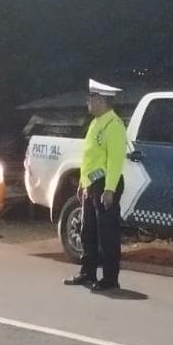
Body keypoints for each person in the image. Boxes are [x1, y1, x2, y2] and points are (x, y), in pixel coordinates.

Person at [64, 79, 128, 292]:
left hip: (106, 185)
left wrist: (109, 190)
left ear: (100, 100)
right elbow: (90, 158)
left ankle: (110, 278)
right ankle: (87, 272)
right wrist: (83, 184)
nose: (87, 102)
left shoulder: (114, 125)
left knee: (107, 235)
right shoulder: (95, 123)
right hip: (92, 184)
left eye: (90, 98)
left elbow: (115, 161)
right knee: (88, 232)